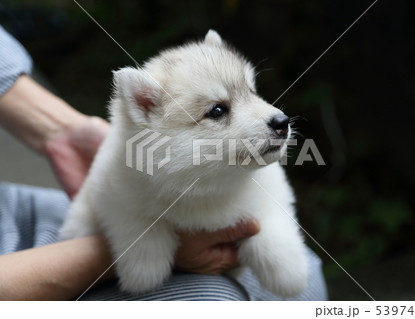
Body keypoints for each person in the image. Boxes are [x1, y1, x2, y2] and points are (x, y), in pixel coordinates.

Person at [0, 25, 327, 300]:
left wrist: (269, 231)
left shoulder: (256, 177)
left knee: (305, 278)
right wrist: (134, 241)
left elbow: (274, 193)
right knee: (205, 296)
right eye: (217, 111)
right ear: (145, 107)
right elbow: (110, 200)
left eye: (252, 90)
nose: (273, 115)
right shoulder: (127, 176)